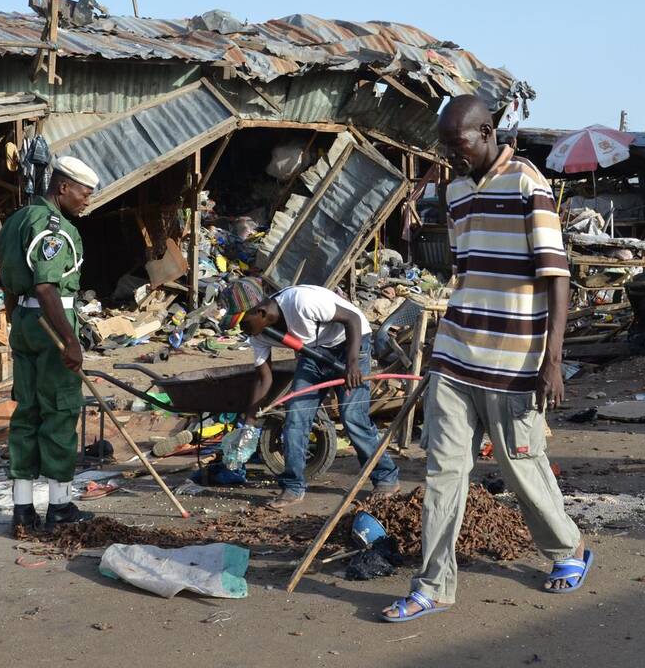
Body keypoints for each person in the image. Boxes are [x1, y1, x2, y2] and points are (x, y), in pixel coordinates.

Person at [381, 95, 591, 622]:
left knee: (521, 466)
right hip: (456, 355)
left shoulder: (528, 183)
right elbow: (468, 269)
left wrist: (553, 358)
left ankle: (567, 550)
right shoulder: (454, 190)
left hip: (516, 360)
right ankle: (433, 585)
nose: (452, 156)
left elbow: (556, 274)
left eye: (460, 144)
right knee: (442, 472)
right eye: (446, 147)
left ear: (489, 131)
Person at [218, 279, 399, 510]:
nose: (240, 330)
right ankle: (293, 487)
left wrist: (353, 363)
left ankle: (386, 478)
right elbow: (265, 378)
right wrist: (249, 423)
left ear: (261, 312)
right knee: (295, 419)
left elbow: (352, 319)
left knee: (352, 416)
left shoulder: (302, 301)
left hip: (350, 344)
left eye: (242, 323)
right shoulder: (259, 335)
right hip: (312, 355)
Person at [0, 155, 100, 533]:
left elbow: (8, 282)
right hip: (51, 323)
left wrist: (15, 322)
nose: (87, 200)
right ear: (63, 188)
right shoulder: (53, 226)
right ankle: (59, 509)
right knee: (59, 411)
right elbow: (46, 287)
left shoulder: (16, 220)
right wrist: (70, 341)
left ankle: (22, 510)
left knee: (26, 412)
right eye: (84, 193)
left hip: (24, 322)